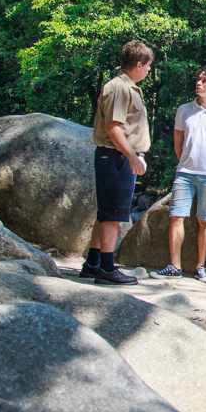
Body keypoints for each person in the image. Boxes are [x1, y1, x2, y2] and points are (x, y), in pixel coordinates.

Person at [149, 67, 206, 283]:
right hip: (185, 173)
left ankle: (200, 267)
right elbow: (178, 143)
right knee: (176, 217)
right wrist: (186, 162)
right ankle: (174, 266)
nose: (198, 83)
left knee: (205, 220)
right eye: (198, 79)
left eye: (204, 81)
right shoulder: (184, 110)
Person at [86, 39, 153, 285]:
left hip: (118, 156)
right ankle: (106, 268)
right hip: (115, 157)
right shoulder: (119, 88)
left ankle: (92, 263)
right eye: (147, 66)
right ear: (138, 64)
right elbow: (113, 128)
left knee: (106, 213)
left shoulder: (129, 87)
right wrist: (132, 156)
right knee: (112, 215)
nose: (148, 70)